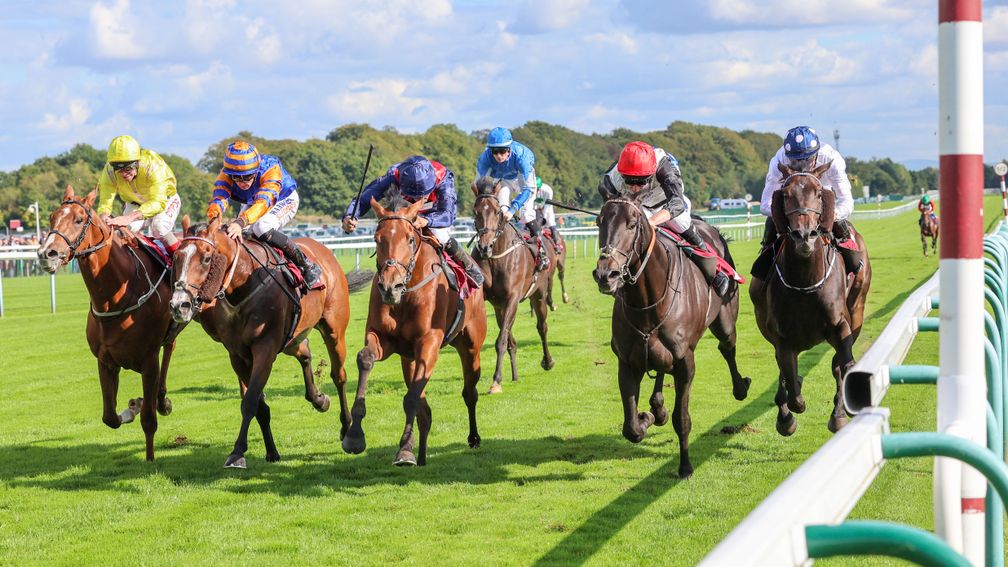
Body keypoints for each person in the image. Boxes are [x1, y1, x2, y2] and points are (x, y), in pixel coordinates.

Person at [598, 141, 731, 298]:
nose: (634, 187)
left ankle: (715, 271)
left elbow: (677, 203)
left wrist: (652, 222)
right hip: (638, 208)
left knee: (682, 224)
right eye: (629, 180)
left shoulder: (664, 167)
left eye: (641, 182)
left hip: (667, 204)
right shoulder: (609, 181)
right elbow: (613, 211)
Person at [341, 155, 484, 287]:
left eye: (424, 193)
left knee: (442, 237)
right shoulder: (393, 175)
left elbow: (448, 214)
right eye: (414, 195)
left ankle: (469, 267)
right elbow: (365, 198)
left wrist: (427, 220)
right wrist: (350, 216)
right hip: (404, 213)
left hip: (434, 214)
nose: (418, 199)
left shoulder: (443, 177)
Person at [206, 140, 321, 288]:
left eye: (248, 176)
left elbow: (264, 203)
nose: (243, 182)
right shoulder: (226, 174)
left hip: (282, 198)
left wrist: (240, 222)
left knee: (262, 227)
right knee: (235, 236)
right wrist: (214, 220)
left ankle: (306, 264)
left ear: (256, 169)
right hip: (253, 201)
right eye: (237, 177)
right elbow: (219, 197)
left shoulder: (270, 168)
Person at [752, 125, 860, 278]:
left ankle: (853, 265)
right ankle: (764, 267)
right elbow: (765, 205)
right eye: (795, 161)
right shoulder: (778, 161)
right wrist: (786, 214)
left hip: (820, 198)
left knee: (838, 224)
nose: (801, 166)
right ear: (787, 156)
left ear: (816, 155)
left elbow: (847, 201)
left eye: (806, 160)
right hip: (792, 202)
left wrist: (830, 214)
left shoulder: (832, 159)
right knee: (771, 223)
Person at [475, 127, 549, 271]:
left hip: (523, 180)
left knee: (525, 214)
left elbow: (527, 189)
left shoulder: (521, 157)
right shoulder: (485, 158)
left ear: (509, 148)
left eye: (503, 151)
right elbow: (480, 185)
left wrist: (513, 208)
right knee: (501, 210)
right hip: (505, 180)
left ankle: (542, 252)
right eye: (495, 151)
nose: (499, 156)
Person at [96, 135, 182, 255]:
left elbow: (158, 203)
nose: (123, 174)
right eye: (118, 169)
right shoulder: (109, 170)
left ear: (137, 162)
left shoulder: (153, 166)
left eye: (128, 168)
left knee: (159, 228)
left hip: (165, 201)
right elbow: (106, 197)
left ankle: (180, 263)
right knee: (124, 232)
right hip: (135, 204)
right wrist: (104, 215)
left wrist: (129, 218)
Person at [533, 176, 563, 250]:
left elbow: (547, 207)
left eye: (537, 189)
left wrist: (543, 222)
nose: (535, 190)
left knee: (550, 222)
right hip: (536, 207)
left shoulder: (547, 190)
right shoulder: (531, 189)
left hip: (547, 207)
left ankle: (557, 243)